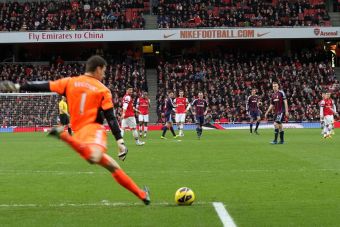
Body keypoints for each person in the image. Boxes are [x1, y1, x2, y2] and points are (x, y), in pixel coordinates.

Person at [0, 55, 150, 205]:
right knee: (95, 157)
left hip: (79, 133)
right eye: (103, 71)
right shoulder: (103, 90)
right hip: (93, 129)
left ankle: (142, 194)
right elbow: (110, 117)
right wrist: (120, 140)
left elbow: (44, 85)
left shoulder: (69, 82)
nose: (104, 75)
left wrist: (19, 87)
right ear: (97, 69)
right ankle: (64, 136)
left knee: (112, 166)